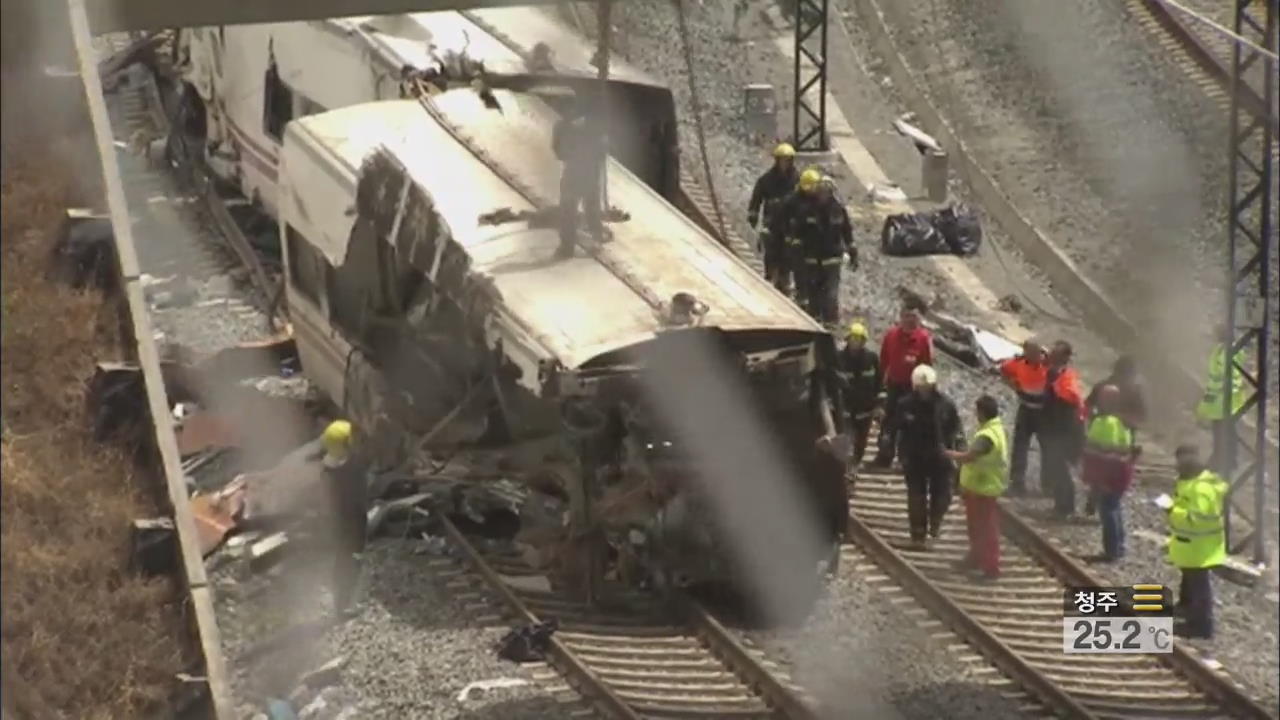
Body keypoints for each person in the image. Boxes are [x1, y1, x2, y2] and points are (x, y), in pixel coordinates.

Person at [771, 170, 857, 324]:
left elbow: (847, 231)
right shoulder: (807, 210)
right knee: (814, 295)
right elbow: (797, 231)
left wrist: (852, 250)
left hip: (832, 259)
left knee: (831, 294)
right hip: (812, 259)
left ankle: (831, 325)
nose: (824, 195)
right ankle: (814, 323)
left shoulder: (838, 210)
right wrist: (794, 248)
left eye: (827, 192)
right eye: (821, 191)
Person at [894, 364, 963, 549]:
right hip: (914, 457)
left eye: (927, 387)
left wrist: (958, 454)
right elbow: (895, 427)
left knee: (942, 495)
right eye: (921, 387)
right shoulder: (905, 405)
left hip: (939, 458)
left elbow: (957, 430)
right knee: (916, 497)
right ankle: (918, 535)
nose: (924, 390)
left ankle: (935, 522)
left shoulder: (946, 405)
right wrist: (895, 449)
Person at [1165, 444, 1227, 639]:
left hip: (1200, 547)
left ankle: (1202, 626)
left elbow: (1199, 519)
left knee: (1200, 586)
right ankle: (1188, 610)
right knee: (1192, 581)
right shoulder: (1191, 483)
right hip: (1192, 545)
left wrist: (1172, 511)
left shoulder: (1200, 490)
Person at [945, 394, 1007, 581]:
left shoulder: (987, 435)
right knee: (977, 527)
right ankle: (976, 558)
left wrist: (950, 454)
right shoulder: (995, 428)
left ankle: (990, 567)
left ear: (982, 412)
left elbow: (971, 456)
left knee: (986, 529)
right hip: (981, 487)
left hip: (983, 487)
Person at [1080, 385, 1140, 563]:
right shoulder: (1122, 421)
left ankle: (1111, 550)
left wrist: (1098, 479)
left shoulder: (1105, 423)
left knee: (1108, 510)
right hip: (1120, 472)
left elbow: (1102, 454)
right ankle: (1118, 547)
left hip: (1110, 473)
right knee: (1114, 507)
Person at [870, 304, 934, 469]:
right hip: (894, 385)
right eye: (906, 316)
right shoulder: (891, 335)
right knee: (888, 422)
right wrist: (880, 385)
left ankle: (908, 459)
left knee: (911, 425)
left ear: (919, 318)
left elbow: (927, 365)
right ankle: (884, 455)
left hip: (913, 389)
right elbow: (884, 360)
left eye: (914, 316)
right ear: (901, 317)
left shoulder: (923, 338)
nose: (910, 320)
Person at [317, 420, 370, 617]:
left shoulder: (329, 468)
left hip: (337, 526)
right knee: (350, 562)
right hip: (350, 526)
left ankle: (340, 602)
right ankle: (343, 606)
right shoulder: (347, 472)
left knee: (342, 561)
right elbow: (356, 501)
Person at [1083, 354, 1147, 515]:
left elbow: (1087, 406)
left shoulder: (1103, 386)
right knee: (1116, 472)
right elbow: (1141, 416)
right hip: (1121, 439)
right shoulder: (1133, 391)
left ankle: (1098, 498)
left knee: (1099, 469)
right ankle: (1106, 502)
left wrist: (1096, 417)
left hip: (1102, 435)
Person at [552, 94, 606, 259]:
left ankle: (567, 247)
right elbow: (602, 150)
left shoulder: (561, 127)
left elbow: (558, 152)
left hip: (574, 172)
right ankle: (596, 240)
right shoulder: (590, 126)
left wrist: (569, 154)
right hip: (588, 172)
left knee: (569, 210)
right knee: (590, 208)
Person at [747, 143, 800, 294]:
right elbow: (756, 198)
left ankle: (785, 280)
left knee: (788, 253)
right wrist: (753, 214)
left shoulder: (797, 181)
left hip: (790, 224)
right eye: (782, 160)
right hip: (771, 223)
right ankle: (770, 276)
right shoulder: (766, 180)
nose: (784, 163)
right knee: (771, 252)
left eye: (787, 160)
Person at [1042, 341, 1085, 519]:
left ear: (1064, 357)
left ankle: (1066, 507)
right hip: (1054, 428)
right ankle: (1061, 504)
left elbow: (1071, 398)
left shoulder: (1067, 377)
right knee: (1055, 467)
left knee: (1060, 468)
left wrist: (1055, 384)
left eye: (1056, 353)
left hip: (1066, 431)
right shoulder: (1054, 373)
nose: (1051, 355)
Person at [1196, 326, 1247, 472]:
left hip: (1226, 398)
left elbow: (1232, 377)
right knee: (1220, 430)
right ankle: (1222, 458)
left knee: (1226, 430)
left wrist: (1225, 391)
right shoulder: (1221, 350)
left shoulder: (1231, 351)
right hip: (1218, 398)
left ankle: (1227, 460)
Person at [999, 340, 1047, 496]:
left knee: (1048, 448)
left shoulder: (1047, 365)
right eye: (1031, 353)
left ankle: (1048, 485)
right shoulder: (1018, 363)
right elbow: (1004, 369)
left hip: (1043, 413)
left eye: (1037, 353)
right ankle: (1017, 483)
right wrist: (1013, 385)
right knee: (1020, 447)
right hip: (1025, 409)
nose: (1035, 356)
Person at [835, 321, 883, 467]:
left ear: (864, 341)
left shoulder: (872, 359)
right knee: (846, 439)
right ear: (847, 339)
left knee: (861, 442)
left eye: (859, 339)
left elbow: (879, 383)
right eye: (853, 338)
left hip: (866, 409)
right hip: (846, 409)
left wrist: (879, 405)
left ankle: (855, 463)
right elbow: (832, 383)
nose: (856, 342)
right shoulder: (838, 359)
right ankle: (845, 468)